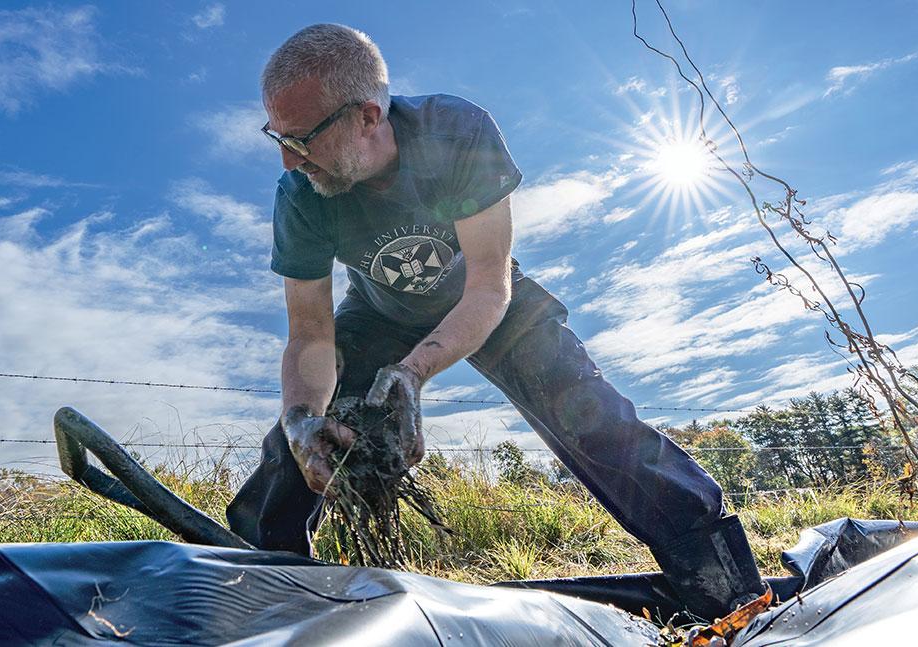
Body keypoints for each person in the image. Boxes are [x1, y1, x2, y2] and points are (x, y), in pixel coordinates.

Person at [225, 23, 766, 620]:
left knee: (592, 417)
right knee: (298, 443)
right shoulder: (301, 194)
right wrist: (301, 416)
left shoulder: (455, 136)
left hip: (490, 303)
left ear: (367, 117)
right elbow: (311, 334)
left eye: (302, 138)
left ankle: (724, 581)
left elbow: (488, 282)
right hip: (378, 313)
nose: (286, 157)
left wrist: (413, 371)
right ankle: (258, 591)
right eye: (278, 136)